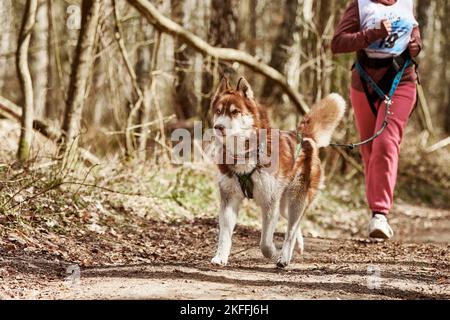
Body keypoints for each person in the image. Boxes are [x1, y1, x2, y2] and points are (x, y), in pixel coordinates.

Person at [331, 0, 422, 239]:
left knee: (385, 142)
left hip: (401, 79)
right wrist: (373, 34)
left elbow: (414, 31)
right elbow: (337, 43)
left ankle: (379, 214)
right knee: (370, 150)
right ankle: (376, 210)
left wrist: (416, 45)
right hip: (364, 83)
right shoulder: (360, 5)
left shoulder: (407, 3)